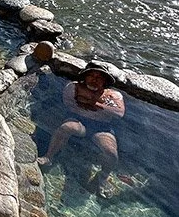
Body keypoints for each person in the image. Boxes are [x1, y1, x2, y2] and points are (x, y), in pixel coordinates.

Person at [37, 61, 125, 195]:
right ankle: (49, 157)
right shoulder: (73, 87)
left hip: (102, 127)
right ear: (85, 77)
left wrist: (94, 104)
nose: (94, 80)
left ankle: (103, 177)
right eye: (91, 76)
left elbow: (119, 113)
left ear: (105, 81)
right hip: (79, 121)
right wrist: (94, 107)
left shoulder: (113, 95)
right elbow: (69, 104)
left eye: (99, 77)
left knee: (111, 153)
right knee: (66, 128)